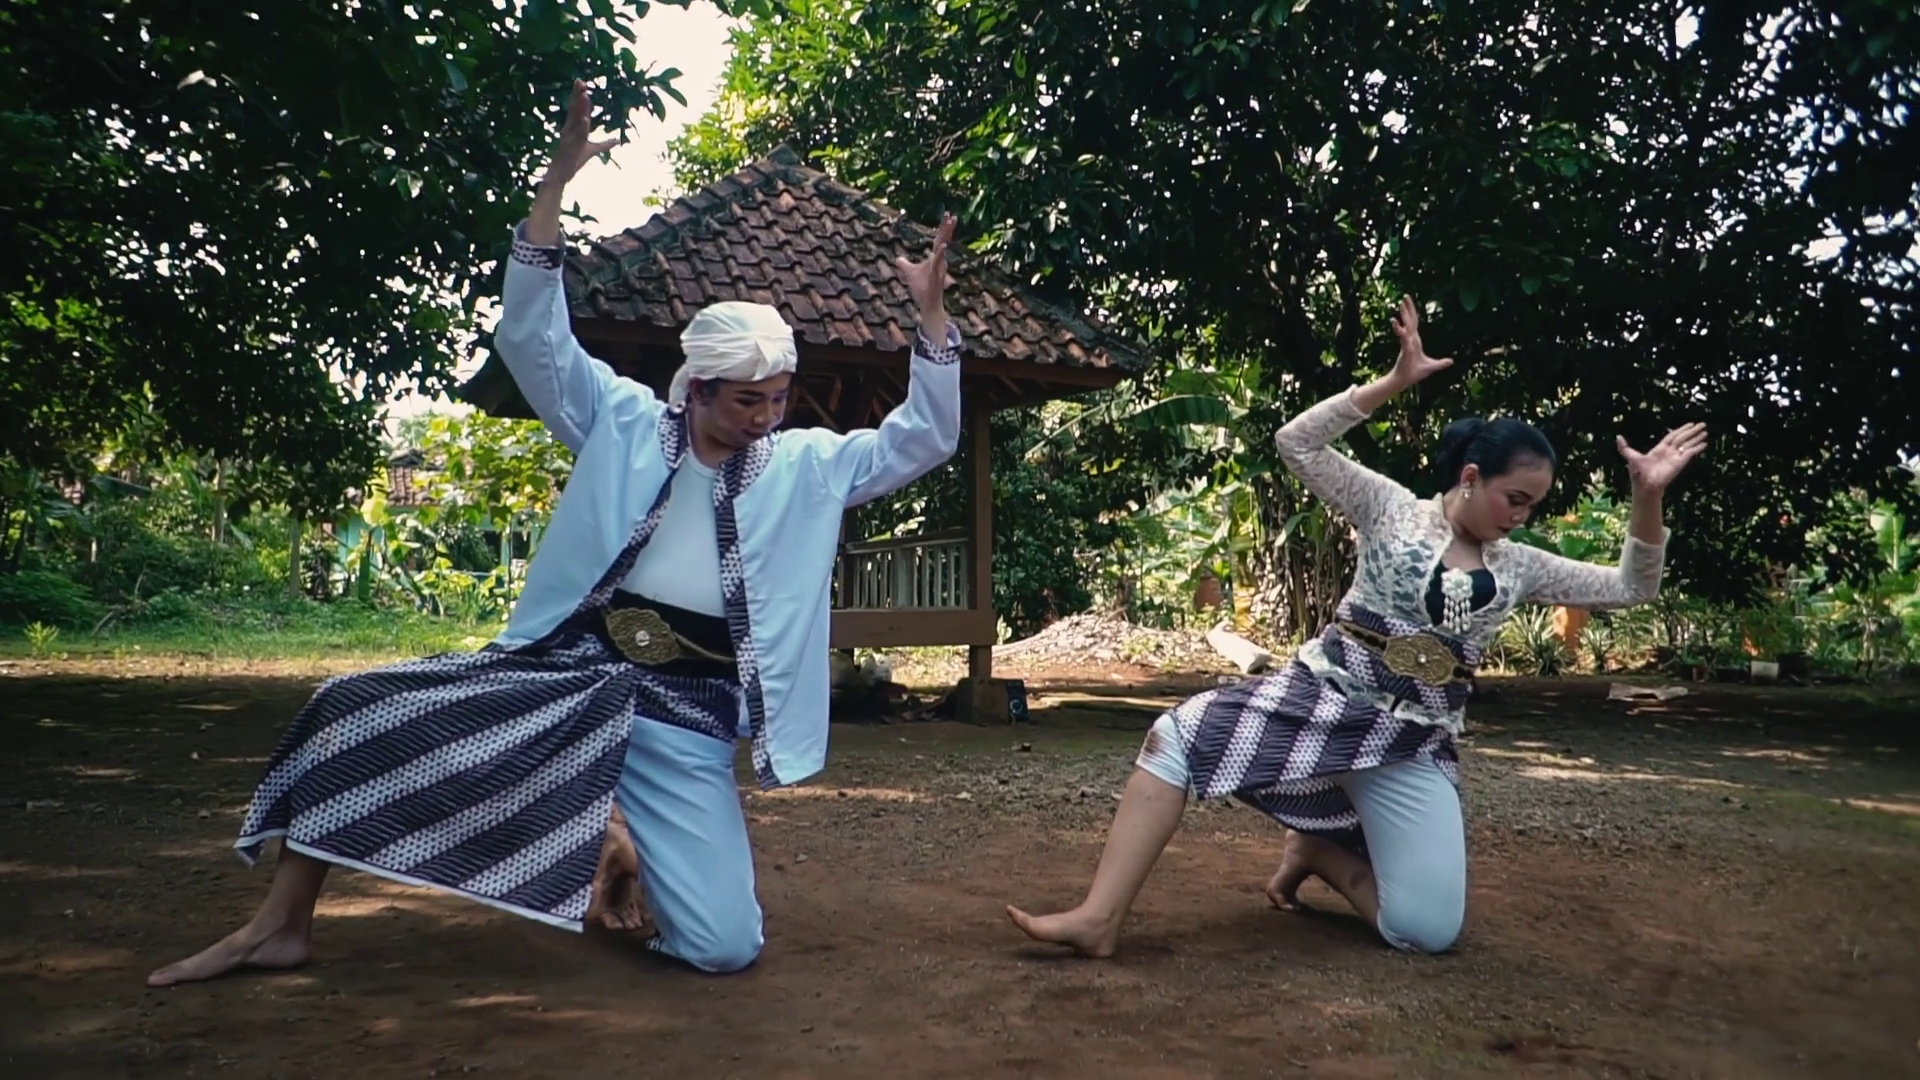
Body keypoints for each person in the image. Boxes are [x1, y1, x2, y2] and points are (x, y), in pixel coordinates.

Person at [148, 79, 964, 986]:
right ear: (696, 389)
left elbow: (923, 438)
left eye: (778, 398)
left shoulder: (805, 465)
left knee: (724, 947)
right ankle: (280, 924)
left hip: (688, 708)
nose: (766, 417)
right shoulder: (622, 423)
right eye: (747, 400)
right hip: (573, 667)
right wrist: (553, 190)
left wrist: (930, 318)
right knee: (356, 705)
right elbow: (536, 338)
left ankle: (622, 842)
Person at [1008, 295, 1707, 958]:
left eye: (1532, 506)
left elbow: (1632, 587)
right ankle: (1099, 918)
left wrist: (1648, 496)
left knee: (1426, 932)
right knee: (1175, 736)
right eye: (1514, 498)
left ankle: (1319, 854)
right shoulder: (1391, 508)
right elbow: (1296, 443)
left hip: (1413, 740)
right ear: (1471, 476)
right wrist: (1392, 383)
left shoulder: (1521, 565)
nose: (1520, 516)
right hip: (1326, 698)